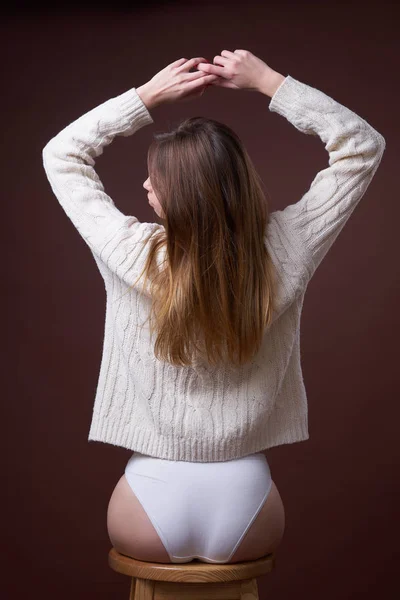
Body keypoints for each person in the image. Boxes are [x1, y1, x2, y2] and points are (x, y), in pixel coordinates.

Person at [42, 50, 385, 564]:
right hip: (245, 499)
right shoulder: (285, 250)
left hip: (150, 493)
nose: (145, 186)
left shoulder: (129, 252)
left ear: (177, 194)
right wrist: (269, 82)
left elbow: (63, 154)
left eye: (154, 178)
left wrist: (146, 97)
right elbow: (361, 146)